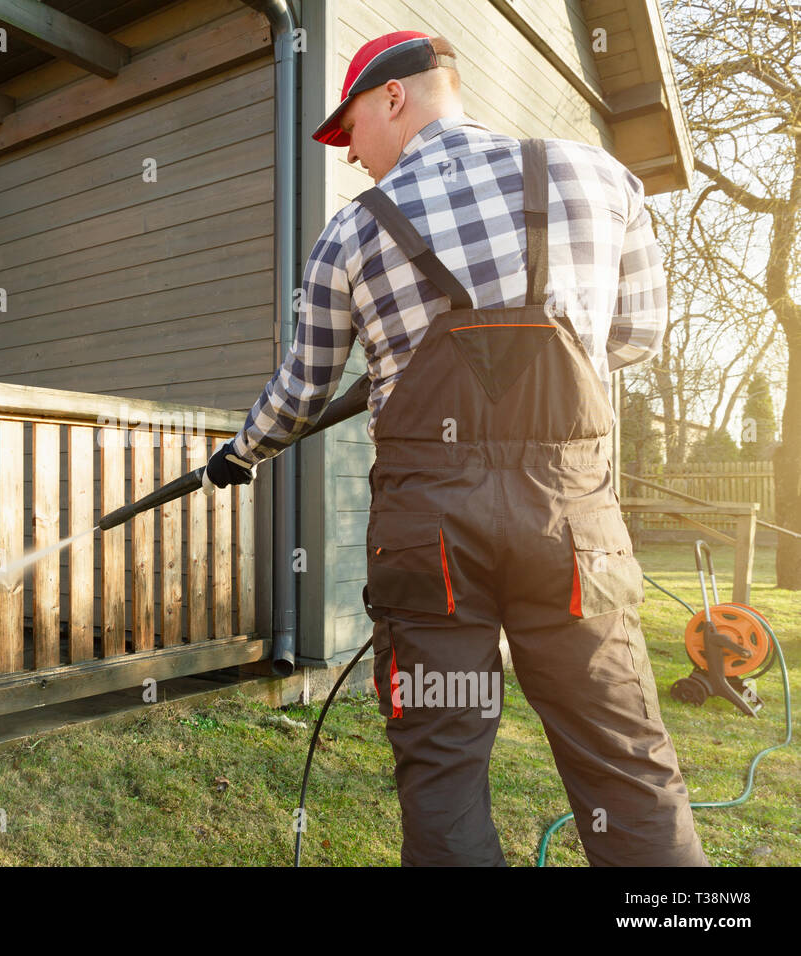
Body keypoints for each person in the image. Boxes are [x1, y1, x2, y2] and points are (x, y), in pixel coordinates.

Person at [204, 30, 707, 866]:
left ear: (393, 96)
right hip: (571, 535)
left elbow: (300, 393)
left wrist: (240, 453)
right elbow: (633, 337)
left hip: (433, 546)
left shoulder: (349, 235)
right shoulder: (601, 178)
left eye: (351, 128)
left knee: (443, 764)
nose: (352, 154)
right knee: (624, 759)